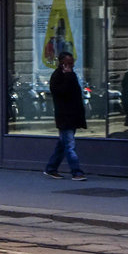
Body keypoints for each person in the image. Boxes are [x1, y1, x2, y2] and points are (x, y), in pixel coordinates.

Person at [44, 51, 87, 180]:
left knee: (63, 144)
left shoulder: (72, 75)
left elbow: (76, 95)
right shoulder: (58, 76)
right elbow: (60, 92)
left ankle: (51, 168)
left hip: (72, 115)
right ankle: (76, 172)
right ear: (61, 63)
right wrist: (68, 76)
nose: (70, 65)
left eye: (71, 63)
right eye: (67, 63)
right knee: (69, 145)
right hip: (64, 116)